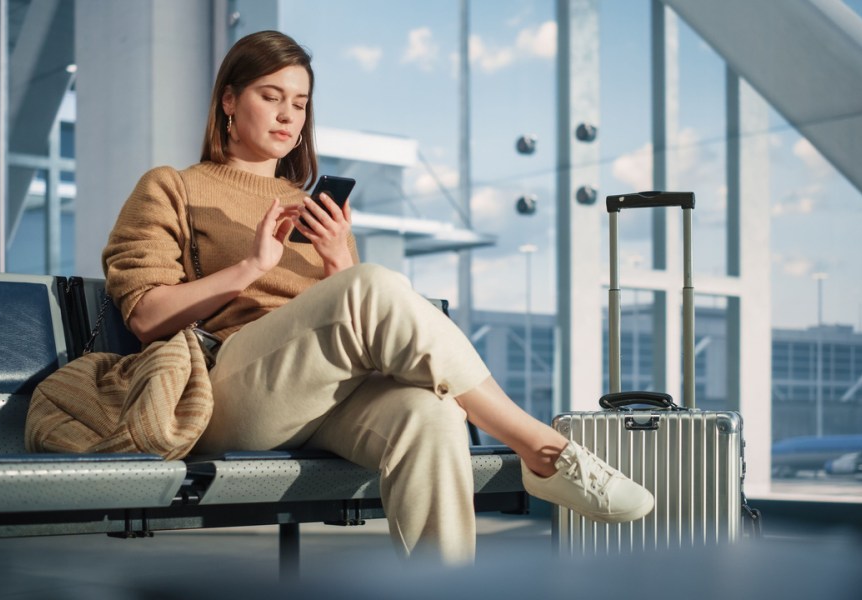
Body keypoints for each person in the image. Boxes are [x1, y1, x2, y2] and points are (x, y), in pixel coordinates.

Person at [102, 30, 653, 565]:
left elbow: (351, 318)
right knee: (373, 286)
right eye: (270, 97)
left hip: (322, 395)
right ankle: (541, 447)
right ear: (228, 100)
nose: (287, 114)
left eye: (299, 102)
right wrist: (252, 266)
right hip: (228, 390)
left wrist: (339, 258)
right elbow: (147, 316)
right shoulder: (172, 186)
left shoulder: (310, 206)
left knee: (430, 416)